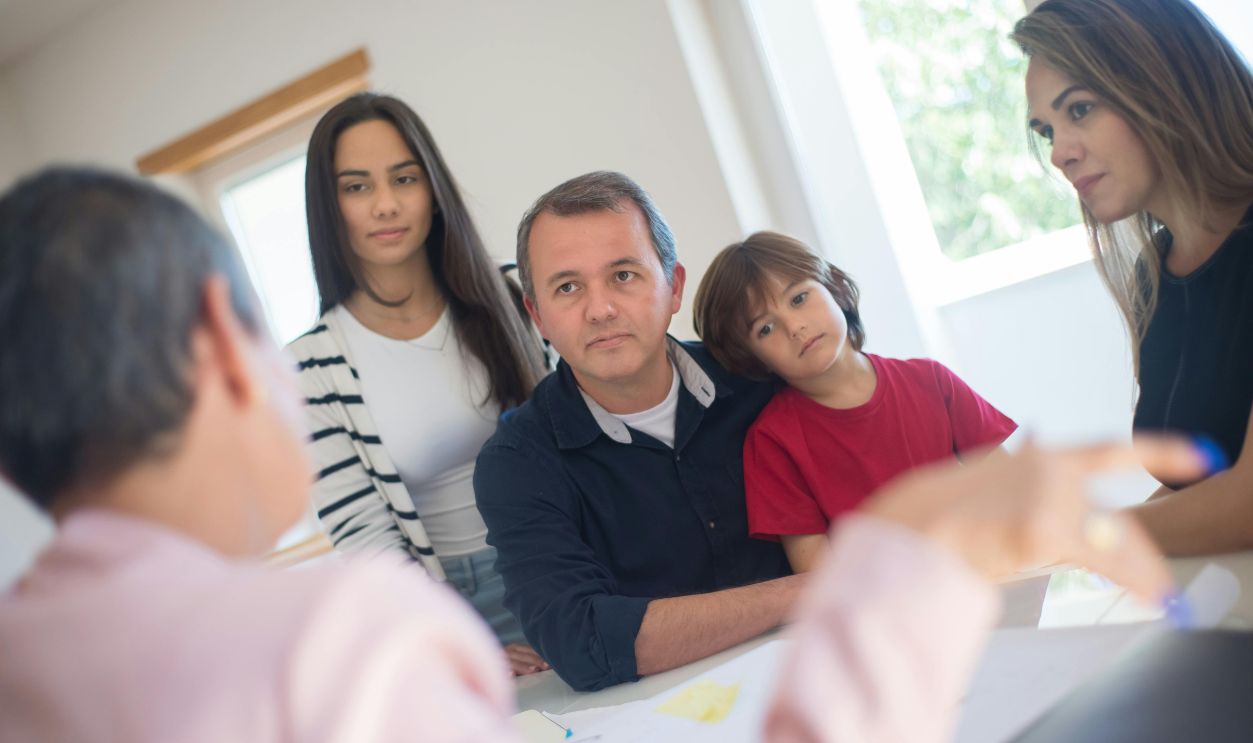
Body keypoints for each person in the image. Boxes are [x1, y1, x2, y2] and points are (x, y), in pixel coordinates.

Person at [0, 167, 1206, 742]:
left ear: (673, 282)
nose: (599, 307)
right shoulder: (515, 467)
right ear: (534, 310)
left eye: (625, 275)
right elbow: (579, 644)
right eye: (564, 288)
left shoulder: (756, 386)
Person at [286, 93, 549, 672]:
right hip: (452, 606)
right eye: (356, 187)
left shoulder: (514, 296)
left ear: (432, 188)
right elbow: (366, 543)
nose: (385, 205)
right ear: (328, 208)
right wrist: (455, 647)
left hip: (569, 562)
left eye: (403, 178)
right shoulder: (311, 368)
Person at [1014, 0, 1253, 555]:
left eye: (1080, 109)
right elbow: (1191, 487)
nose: (1060, 155)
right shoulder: (1158, 277)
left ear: (1162, 81)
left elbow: (1244, 504)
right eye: (1047, 131)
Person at [692, 231, 1016, 572]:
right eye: (765, 329)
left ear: (836, 290)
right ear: (752, 359)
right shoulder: (772, 443)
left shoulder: (932, 381)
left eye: (799, 298)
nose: (794, 327)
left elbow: (1015, 489)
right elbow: (819, 579)